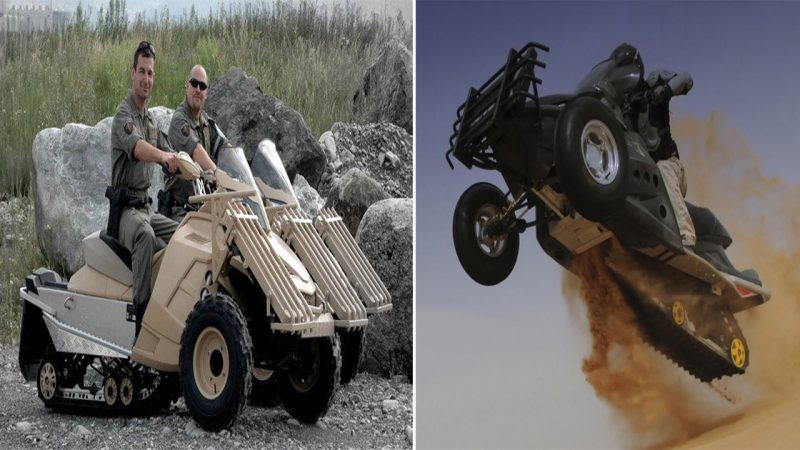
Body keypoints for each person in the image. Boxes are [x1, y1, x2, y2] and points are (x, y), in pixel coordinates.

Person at [109, 41, 179, 338]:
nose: (147, 79)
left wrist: (193, 165)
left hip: (146, 209)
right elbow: (139, 149)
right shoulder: (123, 117)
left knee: (184, 234)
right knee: (145, 236)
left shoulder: (150, 119)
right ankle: (141, 324)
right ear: (132, 73)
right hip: (125, 212)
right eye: (142, 72)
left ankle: (174, 311)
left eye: (151, 73)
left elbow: (169, 148)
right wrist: (163, 157)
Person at [612, 43, 696, 248]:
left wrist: (663, 91)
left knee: (662, 168)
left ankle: (687, 236)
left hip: (671, 167)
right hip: (645, 179)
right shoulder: (622, 107)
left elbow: (686, 79)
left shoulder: (653, 83)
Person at [160, 65, 226, 221]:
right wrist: (222, 178)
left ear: (206, 93)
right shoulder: (179, 121)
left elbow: (226, 148)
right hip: (180, 210)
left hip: (202, 207)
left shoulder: (206, 123)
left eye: (202, 86)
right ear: (186, 86)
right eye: (194, 84)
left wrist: (240, 178)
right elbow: (197, 152)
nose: (198, 89)